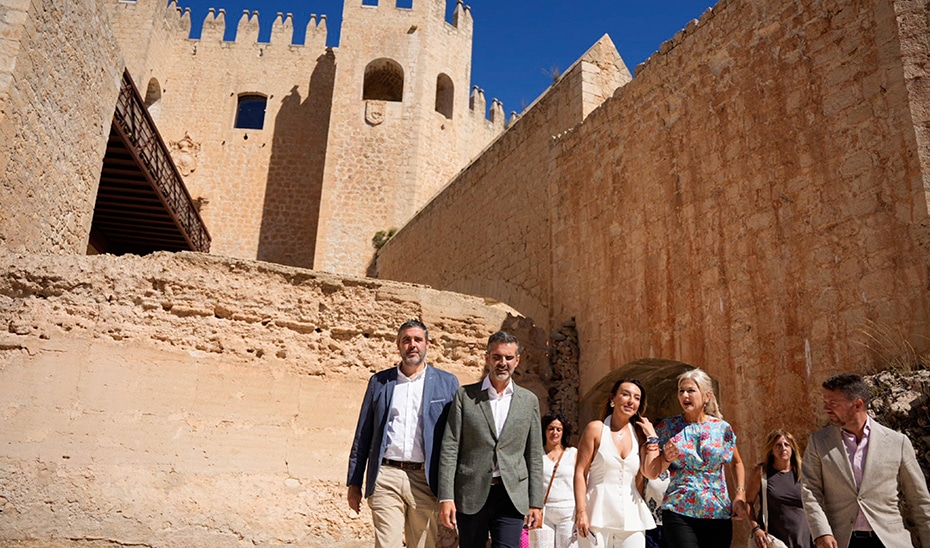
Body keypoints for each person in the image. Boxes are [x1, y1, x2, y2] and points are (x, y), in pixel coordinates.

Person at [346, 319, 460, 548]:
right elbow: (363, 433)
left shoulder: (447, 383)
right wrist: (355, 482)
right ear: (398, 345)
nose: (412, 345)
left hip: (425, 479)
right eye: (406, 340)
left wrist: (451, 491)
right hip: (386, 475)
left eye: (418, 339)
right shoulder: (380, 382)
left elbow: (455, 439)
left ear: (427, 344)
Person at [438, 331, 544, 548]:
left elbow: (534, 454)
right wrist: (446, 497)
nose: (503, 363)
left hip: (511, 494)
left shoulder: (528, 401)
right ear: (487, 358)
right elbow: (450, 447)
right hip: (471, 492)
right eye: (497, 357)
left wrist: (536, 502)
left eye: (508, 357)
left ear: (517, 360)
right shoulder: (465, 396)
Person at [800, 373, 930, 548]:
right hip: (842, 542)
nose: (826, 409)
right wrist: (821, 532)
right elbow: (810, 490)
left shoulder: (897, 442)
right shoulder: (818, 442)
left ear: (857, 405)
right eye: (825, 402)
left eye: (833, 403)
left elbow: (920, 501)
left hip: (889, 541)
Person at [642, 368, 747, 548]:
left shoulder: (722, 428)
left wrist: (740, 494)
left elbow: (736, 462)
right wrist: (665, 458)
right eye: (681, 391)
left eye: (691, 390)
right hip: (678, 510)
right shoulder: (668, 427)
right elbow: (652, 472)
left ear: (706, 396)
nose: (685, 395)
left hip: (717, 511)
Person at [574, 379, 656, 548]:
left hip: (632, 515)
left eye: (636, 398)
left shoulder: (640, 435)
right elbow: (580, 472)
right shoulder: (595, 429)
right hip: (595, 513)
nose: (631, 401)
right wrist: (581, 511)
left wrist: (652, 437)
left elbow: (647, 475)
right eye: (625, 394)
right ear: (613, 398)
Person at [746, 429, 811, 548]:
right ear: (771, 450)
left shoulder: (803, 472)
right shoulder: (762, 473)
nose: (783, 448)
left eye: (787, 445)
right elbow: (748, 502)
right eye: (778, 445)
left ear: (792, 448)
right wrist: (756, 528)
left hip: (804, 538)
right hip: (774, 541)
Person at [540, 413, 578, 548]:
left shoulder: (573, 453)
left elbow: (583, 481)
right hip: (543, 512)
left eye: (558, 429)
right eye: (551, 429)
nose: (554, 432)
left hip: (568, 512)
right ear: (544, 431)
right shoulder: (537, 454)